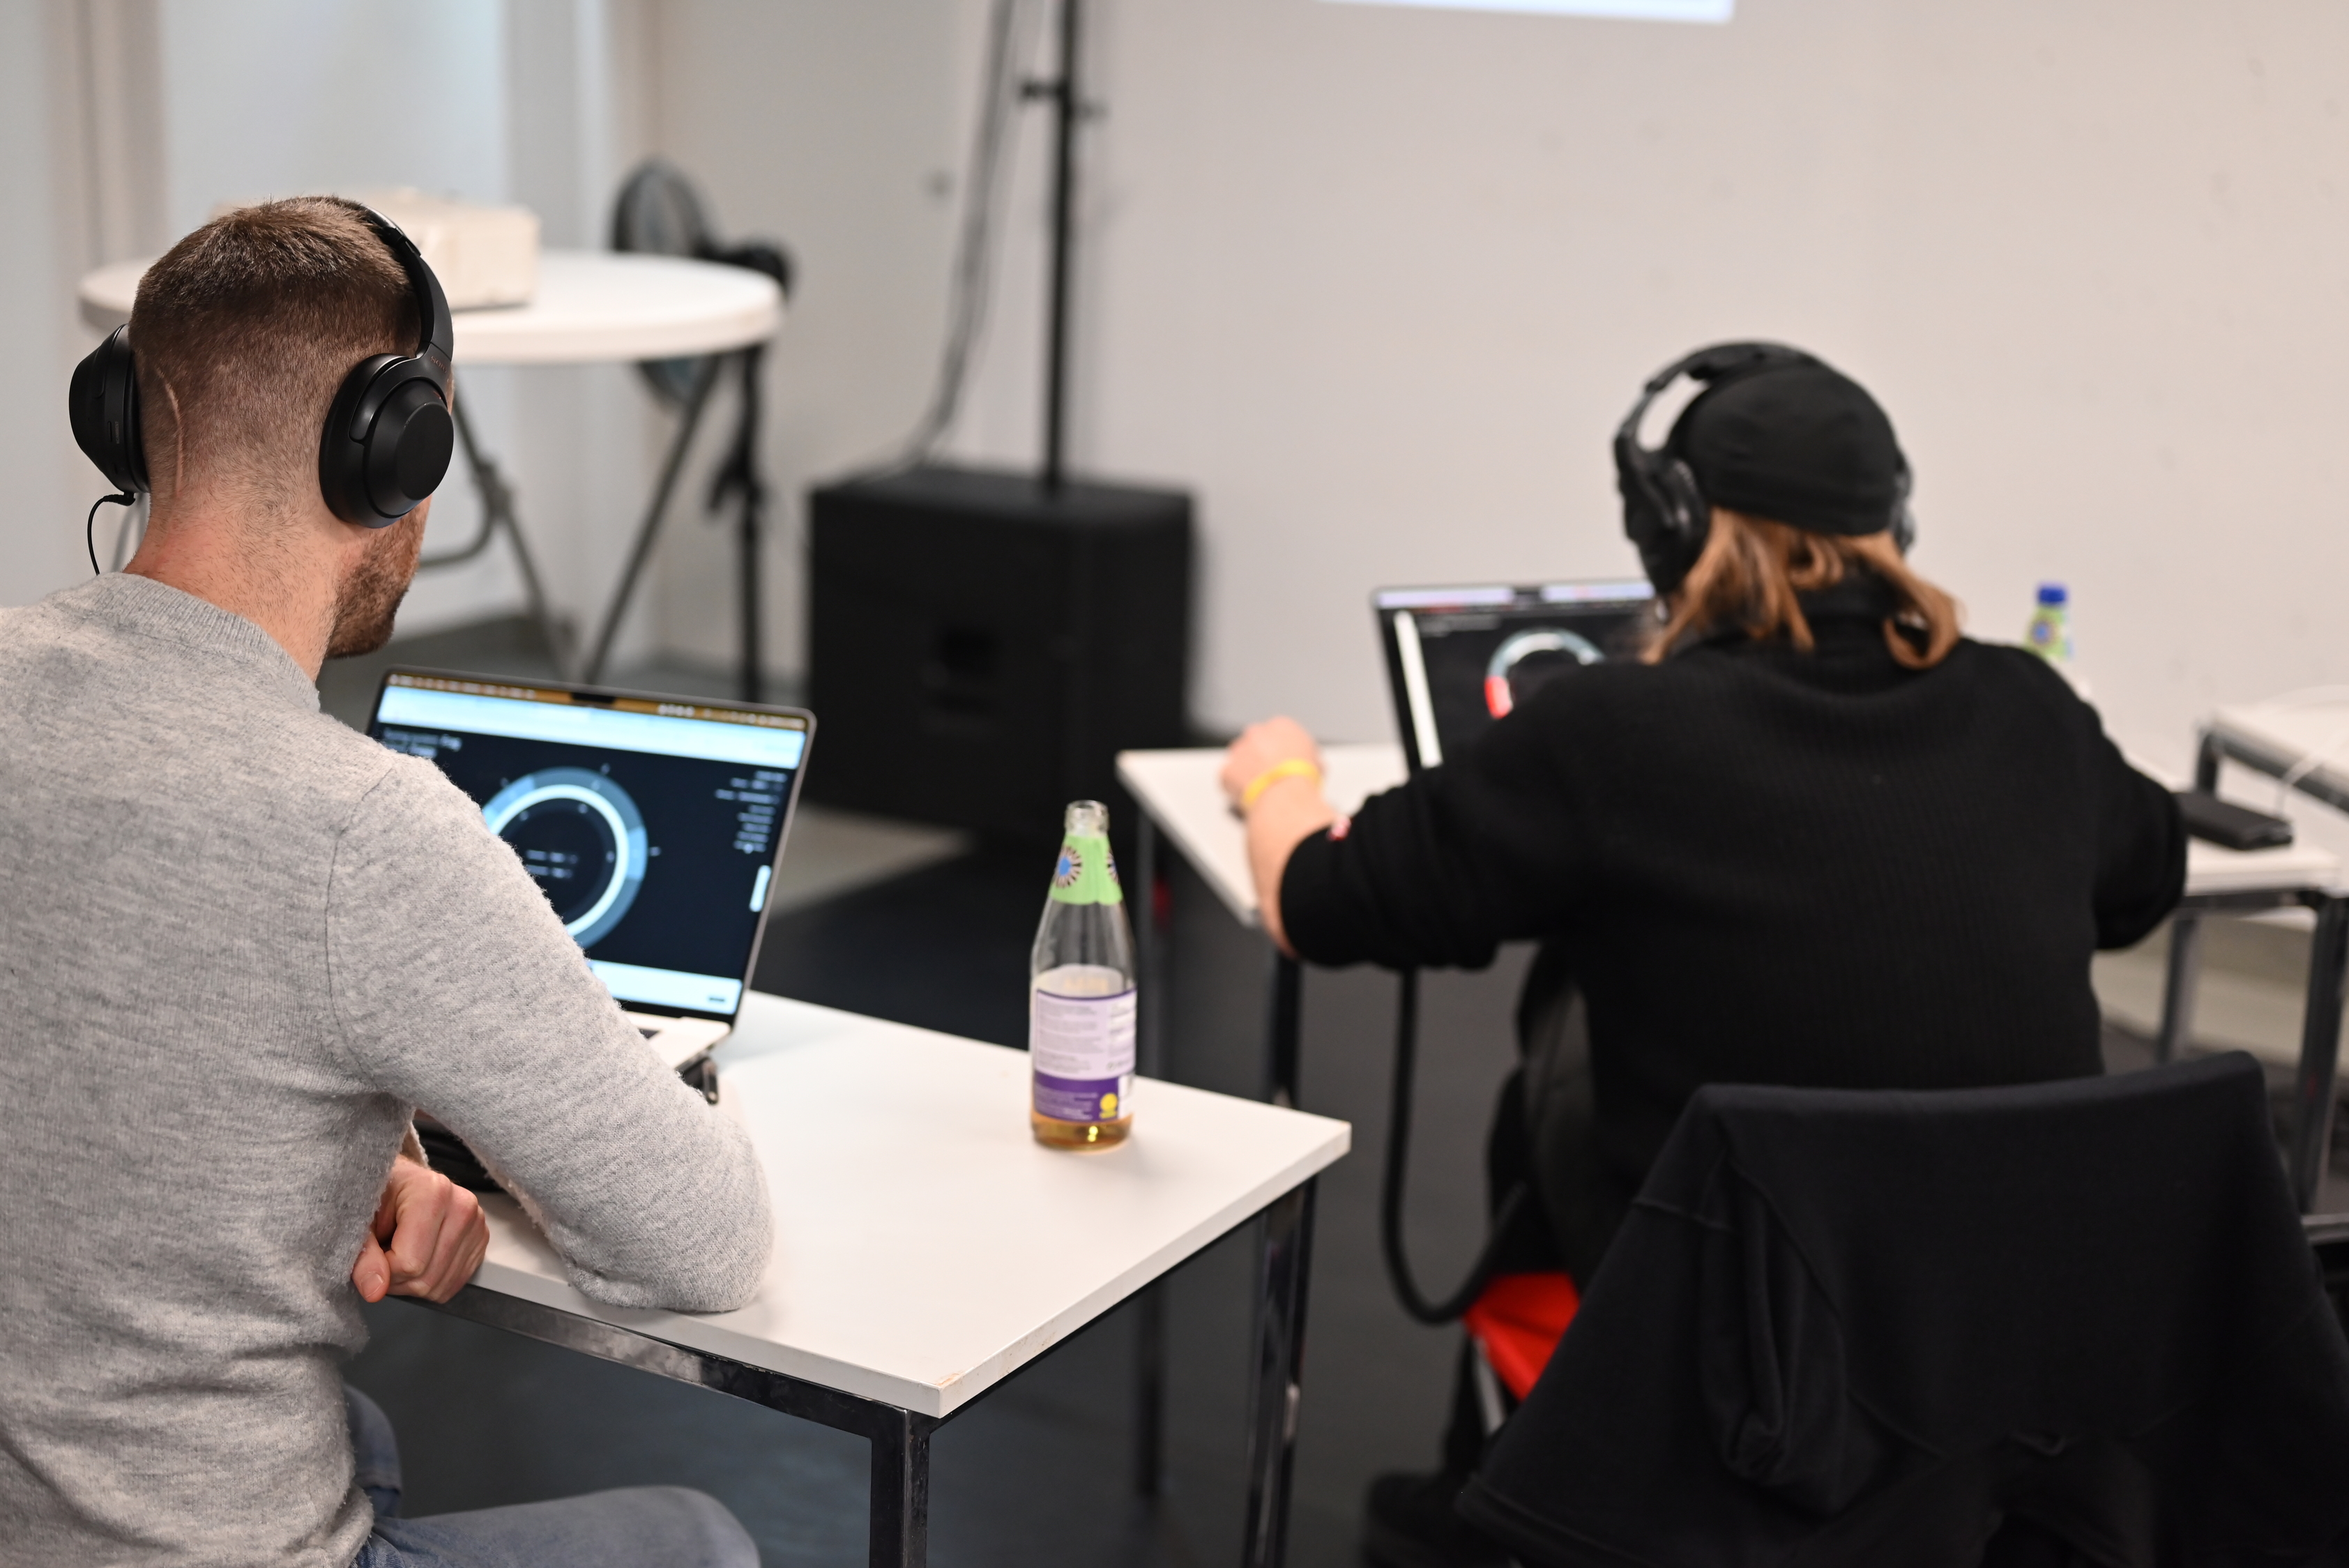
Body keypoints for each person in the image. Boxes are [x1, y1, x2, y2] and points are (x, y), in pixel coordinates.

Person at [1219, 344, 2185, 1568]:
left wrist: (1281, 776)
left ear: (1668, 529)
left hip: (1741, 1367)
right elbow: (2145, 878)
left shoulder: (1613, 730)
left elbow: (1316, 900)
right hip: (2016, 1375)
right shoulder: (2026, 707)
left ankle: (1513, 1476)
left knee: (1563, 1050)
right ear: (1893, 518)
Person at [0, 198, 769, 1568]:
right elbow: (700, 1243)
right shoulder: (364, 834)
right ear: (391, 447)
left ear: (127, 420)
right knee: (697, 1538)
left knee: (359, 1428)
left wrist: (362, 1148)